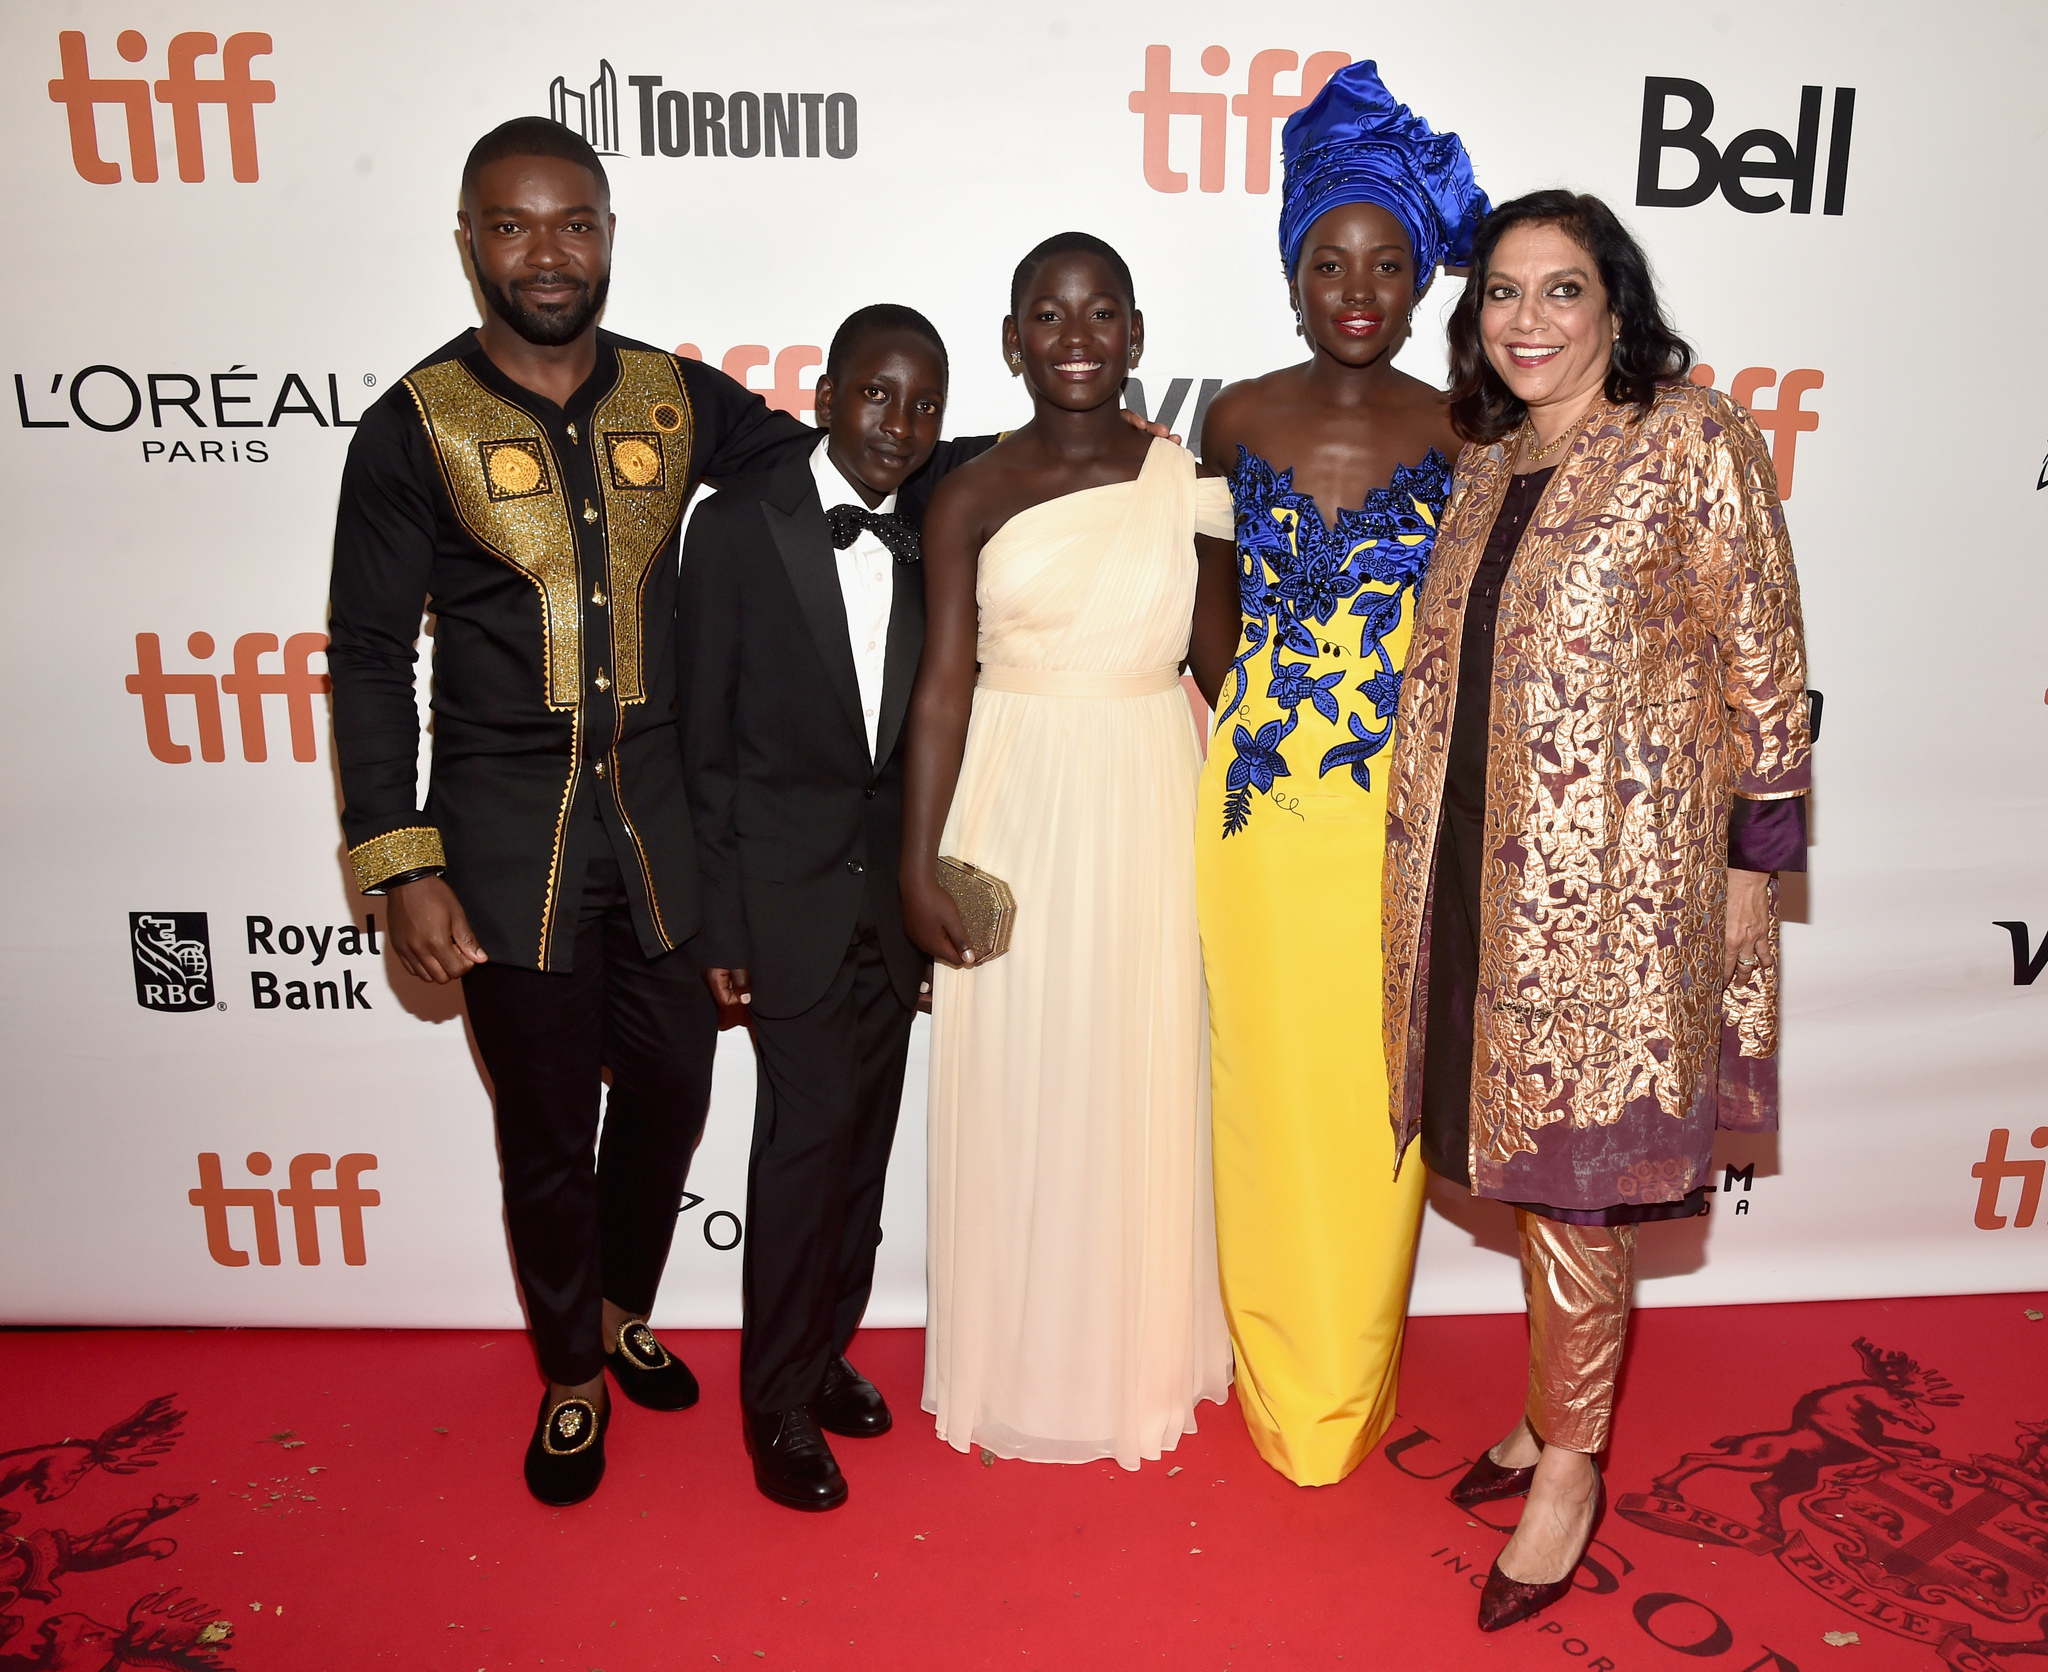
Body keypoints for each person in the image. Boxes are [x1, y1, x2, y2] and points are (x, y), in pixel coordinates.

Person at [327, 117, 843, 1507]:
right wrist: (398, 862)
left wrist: (1026, 463)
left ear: (608, 235)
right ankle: (570, 1367)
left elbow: (835, 461)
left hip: (666, 827)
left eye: (574, 223)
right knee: (545, 1124)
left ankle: (623, 1301)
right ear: (469, 241)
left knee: (672, 1091)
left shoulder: (676, 399)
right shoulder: (413, 428)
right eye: (514, 225)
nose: (546, 253)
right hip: (502, 837)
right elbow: (370, 657)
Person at [1380, 190, 1810, 1629]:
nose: (1526, 321)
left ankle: (1571, 1468)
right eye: (1503, 292)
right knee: (1517, 1162)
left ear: (1615, 303)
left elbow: (1764, 660)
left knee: (1575, 1179)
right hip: (1480, 871)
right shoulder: (1494, 453)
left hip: (1623, 893)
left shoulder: (1691, 436)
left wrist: (1755, 874)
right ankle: (1543, 1411)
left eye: (1561, 291)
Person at [1185, 61, 1488, 1489]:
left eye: (1384, 262)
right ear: (1293, 273)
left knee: (1380, 1094)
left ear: (1421, 281)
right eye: (1328, 261)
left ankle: (1346, 1383)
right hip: (1260, 814)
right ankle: (1266, 1369)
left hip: (1401, 820)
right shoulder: (1233, 420)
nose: (1355, 287)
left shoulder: (1468, 430)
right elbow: (1208, 606)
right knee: (1263, 1083)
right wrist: (1259, 718)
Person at [900, 233, 1236, 1468]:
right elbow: (940, 688)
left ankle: (1134, 1355)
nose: (1078, 336)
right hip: (1013, 792)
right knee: (1025, 1070)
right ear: (1013, 341)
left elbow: (1222, 670)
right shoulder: (970, 492)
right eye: (1050, 314)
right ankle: (1022, 1358)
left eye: (1101, 313)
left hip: (1152, 789)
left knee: (1141, 1061)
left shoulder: (1182, 482)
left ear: (1137, 335)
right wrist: (917, 860)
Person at [679, 306, 987, 1512]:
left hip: (887, 912)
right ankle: (772, 1405)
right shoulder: (738, 530)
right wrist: (720, 928)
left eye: (921, 406)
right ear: (823, 395)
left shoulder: (932, 530)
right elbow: (701, 748)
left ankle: (822, 1354)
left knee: (860, 1155)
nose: (897, 427)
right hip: (780, 905)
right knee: (802, 1157)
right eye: (876, 396)